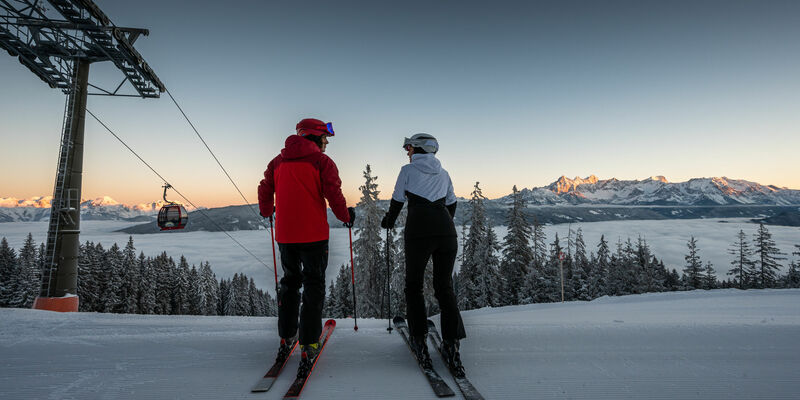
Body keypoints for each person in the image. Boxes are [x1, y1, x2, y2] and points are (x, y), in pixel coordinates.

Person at [258, 118, 355, 377]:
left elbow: (265, 188)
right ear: (313, 136)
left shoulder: (278, 162)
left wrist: (266, 211)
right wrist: (346, 216)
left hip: (286, 236)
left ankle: (286, 336)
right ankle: (309, 343)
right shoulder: (322, 162)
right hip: (314, 237)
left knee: (290, 284)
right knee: (313, 285)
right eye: (324, 138)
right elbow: (333, 194)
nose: (326, 143)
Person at [381, 133, 467, 376]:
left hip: (418, 232)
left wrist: (388, 221)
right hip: (446, 233)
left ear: (417, 149)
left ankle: (419, 340)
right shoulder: (444, 173)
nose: (407, 152)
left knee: (413, 286)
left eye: (408, 148)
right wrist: (441, 224)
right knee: (444, 288)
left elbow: (397, 200)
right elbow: (451, 203)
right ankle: (452, 345)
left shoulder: (407, 171)